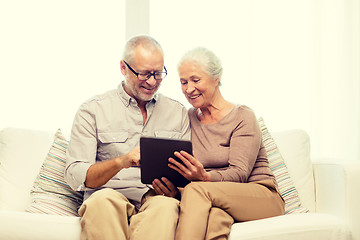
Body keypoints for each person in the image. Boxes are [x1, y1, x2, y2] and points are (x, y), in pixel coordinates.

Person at [64, 35, 191, 240]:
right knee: (100, 202)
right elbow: (75, 175)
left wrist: (175, 191)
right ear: (123, 68)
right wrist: (121, 161)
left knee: (167, 207)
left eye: (158, 73)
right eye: (144, 74)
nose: (152, 82)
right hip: (109, 194)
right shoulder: (93, 110)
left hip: (155, 197)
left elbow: (184, 175)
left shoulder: (177, 112)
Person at [168, 47, 285, 240]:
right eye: (183, 82)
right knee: (215, 220)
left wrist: (204, 177)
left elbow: (239, 173)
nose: (189, 89)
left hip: (261, 196)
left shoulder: (242, 116)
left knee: (195, 189)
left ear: (216, 78)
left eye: (196, 80)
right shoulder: (187, 118)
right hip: (216, 197)